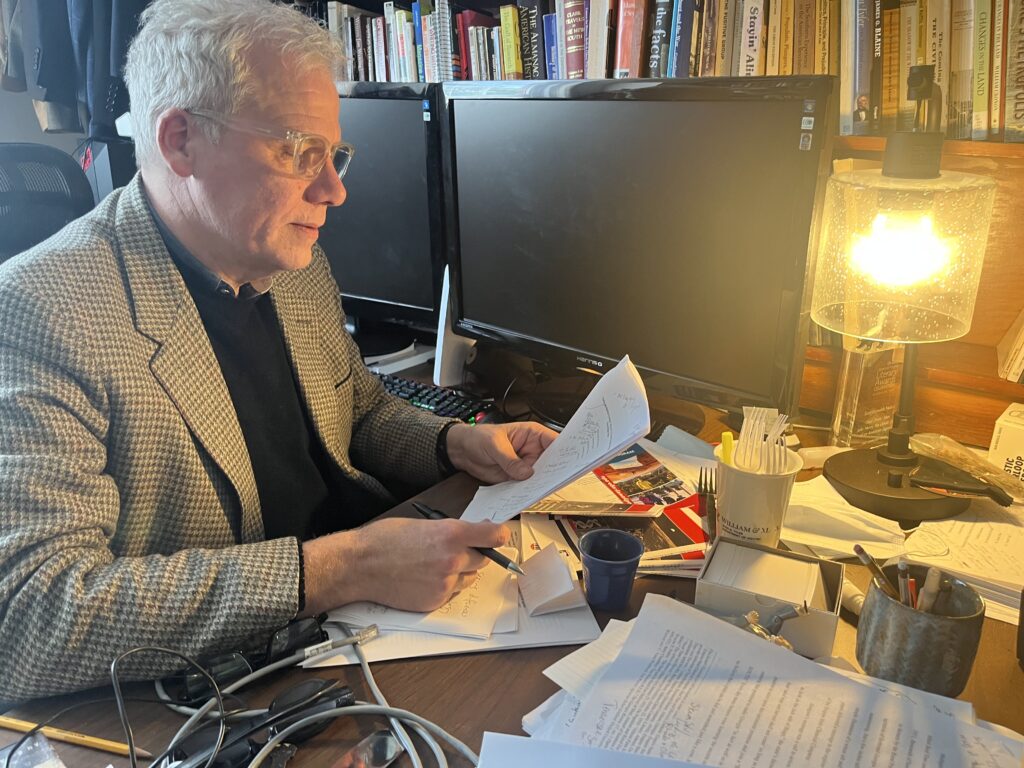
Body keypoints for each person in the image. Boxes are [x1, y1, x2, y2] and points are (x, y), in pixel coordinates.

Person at [0, 0, 556, 702]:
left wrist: (454, 445)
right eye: (299, 152)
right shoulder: (39, 310)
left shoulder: (288, 261)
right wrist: (336, 568)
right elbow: (25, 619)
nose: (335, 189)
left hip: (376, 623)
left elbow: (358, 413)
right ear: (180, 142)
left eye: (335, 154)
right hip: (229, 687)